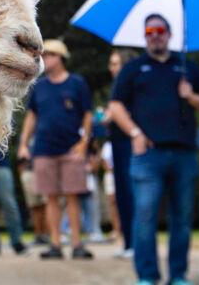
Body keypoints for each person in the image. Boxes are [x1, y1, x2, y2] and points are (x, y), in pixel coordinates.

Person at [108, 14, 199, 285]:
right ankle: (146, 275)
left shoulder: (187, 66)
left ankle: (178, 275)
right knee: (144, 216)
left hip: (184, 153)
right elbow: (116, 106)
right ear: (145, 36)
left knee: (182, 219)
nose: (155, 34)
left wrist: (192, 97)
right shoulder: (132, 69)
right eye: (150, 30)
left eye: (160, 30)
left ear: (169, 33)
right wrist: (134, 133)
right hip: (148, 155)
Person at [17, 39, 94, 260]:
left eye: (49, 55)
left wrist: (84, 141)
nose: (44, 59)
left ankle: (77, 244)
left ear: (61, 57)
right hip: (43, 149)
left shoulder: (77, 83)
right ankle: (56, 244)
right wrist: (23, 143)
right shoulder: (39, 86)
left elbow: (87, 113)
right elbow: (32, 116)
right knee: (50, 197)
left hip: (71, 149)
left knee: (72, 196)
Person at [105, 48, 138, 259]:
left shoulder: (134, 88)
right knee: (122, 195)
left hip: (131, 145)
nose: (112, 68)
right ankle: (127, 242)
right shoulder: (117, 87)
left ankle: (136, 243)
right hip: (117, 145)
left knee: (131, 193)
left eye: (116, 63)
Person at [17, 154, 49, 244]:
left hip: (45, 169)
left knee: (47, 204)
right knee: (34, 206)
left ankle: (48, 235)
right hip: (29, 171)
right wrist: (22, 170)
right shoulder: (24, 140)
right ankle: (38, 236)